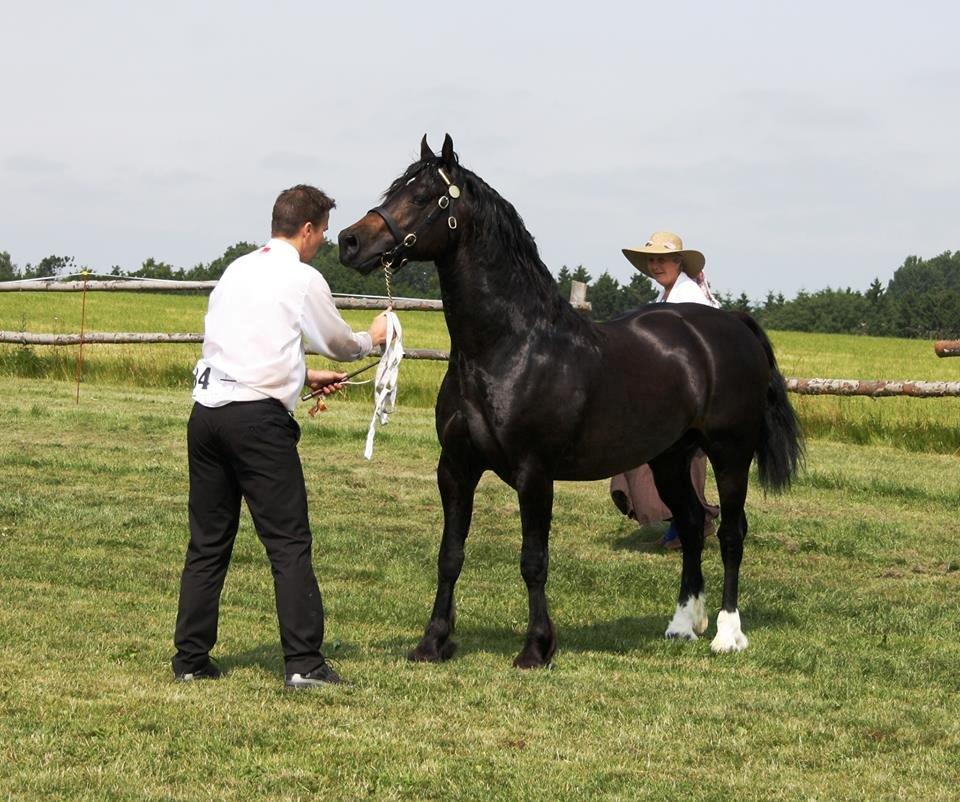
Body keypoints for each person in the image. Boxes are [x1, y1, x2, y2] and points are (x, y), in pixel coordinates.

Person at [172, 184, 388, 689]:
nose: (322, 243)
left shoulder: (236, 270)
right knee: (288, 543)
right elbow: (337, 344)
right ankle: (304, 664)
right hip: (257, 425)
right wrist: (373, 337)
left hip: (206, 414)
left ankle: (190, 659)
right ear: (307, 229)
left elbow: (241, 342)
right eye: (323, 233)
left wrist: (299, 377)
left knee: (207, 544)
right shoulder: (302, 276)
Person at [610, 231, 720, 549]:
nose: (656, 265)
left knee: (672, 459)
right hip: (671, 395)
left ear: (678, 262)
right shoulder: (667, 296)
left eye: (663, 259)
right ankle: (685, 526)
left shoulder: (690, 297)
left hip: (690, 398)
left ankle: (691, 526)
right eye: (652, 260)